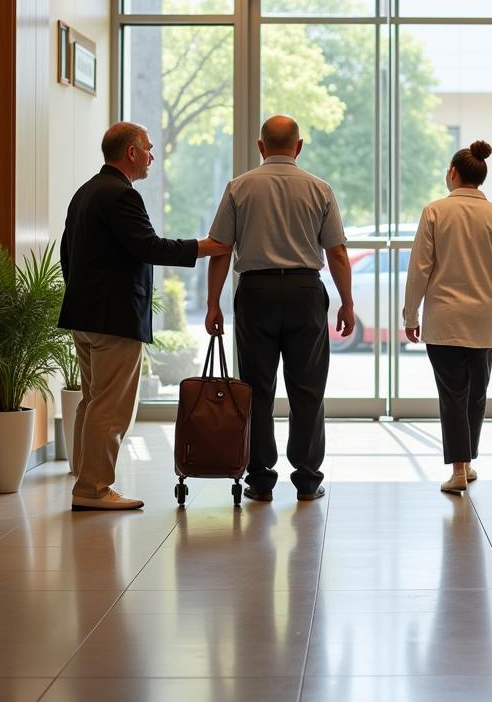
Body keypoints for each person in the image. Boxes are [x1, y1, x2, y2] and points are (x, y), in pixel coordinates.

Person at [58, 122, 230, 511]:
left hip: (84, 316)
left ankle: (86, 482)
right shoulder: (121, 196)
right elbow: (149, 246)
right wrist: (206, 247)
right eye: (148, 149)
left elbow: (67, 253)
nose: (153, 155)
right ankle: (94, 489)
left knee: (92, 401)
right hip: (113, 319)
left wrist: (83, 297)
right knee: (110, 407)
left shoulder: (85, 192)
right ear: (132, 153)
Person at [205, 115, 355, 503]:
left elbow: (219, 249)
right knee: (307, 388)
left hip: (256, 293)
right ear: (299, 147)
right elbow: (337, 251)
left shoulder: (239, 187)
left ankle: (260, 479)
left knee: (255, 389)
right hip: (306, 293)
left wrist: (212, 304)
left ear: (260, 147)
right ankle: (306, 479)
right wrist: (347, 303)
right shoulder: (319, 189)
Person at [402, 140, 492, 494]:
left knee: (452, 394)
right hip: (484, 320)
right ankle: (466, 462)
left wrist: (411, 314)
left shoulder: (434, 211)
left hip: (444, 320)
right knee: (476, 394)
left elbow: (419, 269)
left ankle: (460, 468)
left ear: (453, 173)